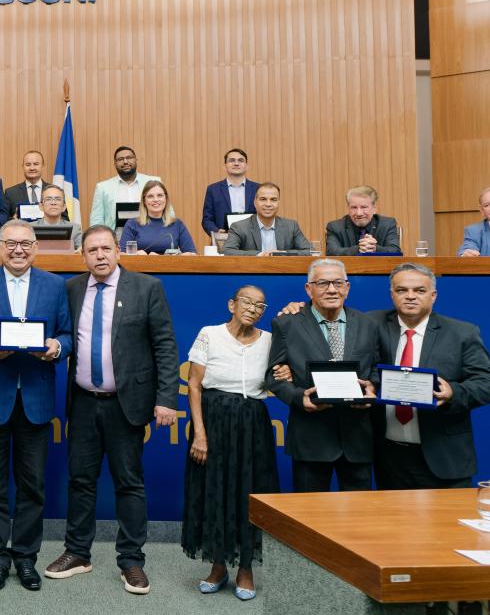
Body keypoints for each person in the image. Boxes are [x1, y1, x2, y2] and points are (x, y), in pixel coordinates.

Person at [43, 225, 179, 596]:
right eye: (92, 250)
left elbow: (165, 347)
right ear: (82, 256)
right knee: (80, 482)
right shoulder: (70, 289)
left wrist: (167, 398)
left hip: (127, 404)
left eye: (105, 248)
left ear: (118, 250)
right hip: (84, 401)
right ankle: (77, 553)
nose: (99, 255)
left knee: (129, 484)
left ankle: (131, 560)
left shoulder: (147, 288)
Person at [0, 220, 72, 593]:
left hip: (36, 399)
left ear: (37, 246)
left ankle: (25, 556)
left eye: (26, 243)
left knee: (32, 485)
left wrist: (57, 348)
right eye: (11, 243)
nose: (18, 250)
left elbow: (67, 334)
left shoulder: (55, 286)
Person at [182, 285, 279, 602]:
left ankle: (246, 569)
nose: (253, 308)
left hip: (252, 424)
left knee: (248, 494)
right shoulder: (209, 333)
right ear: (232, 304)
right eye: (247, 302)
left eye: (260, 305)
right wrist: (200, 433)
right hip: (214, 421)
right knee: (215, 491)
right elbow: (194, 386)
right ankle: (218, 566)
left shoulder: (269, 340)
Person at [369, 263, 490, 489]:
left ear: (433, 295)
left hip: (444, 456)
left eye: (420, 290)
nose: (410, 296)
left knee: (448, 524)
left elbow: (486, 383)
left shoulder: (462, 333)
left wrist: (454, 393)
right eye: (402, 290)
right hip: (389, 456)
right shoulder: (370, 324)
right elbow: (333, 318)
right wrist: (294, 308)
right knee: (394, 524)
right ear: (392, 294)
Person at [265, 259, 380, 492]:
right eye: (323, 283)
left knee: (361, 514)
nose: (331, 289)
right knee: (308, 514)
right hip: (311, 437)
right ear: (309, 289)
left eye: (338, 283)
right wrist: (299, 398)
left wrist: (373, 388)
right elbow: (273, 376)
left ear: (347, 287)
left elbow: (377, 367)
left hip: (358, 437)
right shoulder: (287, 324)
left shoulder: (368, 324)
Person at [222, 183, 312, 256]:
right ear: (255, 202)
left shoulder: (291, 226)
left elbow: (309, 251)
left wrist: (283, 254)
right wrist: (259, 255)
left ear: (278, 202)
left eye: (273, 200)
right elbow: (227, 251)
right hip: (252, 275)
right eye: (263, 199)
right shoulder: (239, 227)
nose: (268, 204)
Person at [89, 146, 161, 231]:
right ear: (115, 163)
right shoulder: (102, 188)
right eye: (120, 159)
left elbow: (168, 213)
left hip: (150, 235)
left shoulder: (154, 182)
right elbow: (96, 220)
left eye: (129, 158)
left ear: (136, 160)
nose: (125, 162)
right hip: (116, 239)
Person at [119, 180, 196, 255]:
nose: (156, 200)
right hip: (140, 267)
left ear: (165, 199)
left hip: (169, 267)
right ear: (144, 201)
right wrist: (136, 254)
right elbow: (122, 255)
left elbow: (192, 253)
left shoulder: (177, 224)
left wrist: (183, 256)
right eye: (150, 196)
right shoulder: (132, 224)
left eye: (160, 195)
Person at [324, 185, 401, 255]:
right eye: (354, 207)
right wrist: (359, 249)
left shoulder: (387, 224)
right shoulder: (335, 227)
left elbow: (395, 250)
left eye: (364, 207)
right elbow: (331, 252)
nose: (359, 213)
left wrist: (374, 248)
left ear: (374, 208)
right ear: (348, 208)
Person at [200, 148, 260, 238]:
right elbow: (207, 219)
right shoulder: (213, 189)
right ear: (225, 166)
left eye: (241, 160)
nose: (236, 163)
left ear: (247, 166)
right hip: (224, 239)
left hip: (253, 239)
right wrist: (217, 232)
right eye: (232, 160)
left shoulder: (258, 188)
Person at [4, 151, 65, 220]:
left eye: (36, 164)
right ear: (23, 167)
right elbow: (4, 220)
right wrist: (13, 219)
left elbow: (65, 219)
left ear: (43, 166)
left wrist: (53, 218)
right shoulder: (11, 193)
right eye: (28, 164)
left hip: (48, 230)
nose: (32, 168)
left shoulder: (55, 191)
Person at [33, 184, 81, 250]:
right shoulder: (29, 228)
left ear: (64, 207)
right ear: (41, 206)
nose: (53, 203)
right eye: (48, 199)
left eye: (58, 199)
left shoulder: (75, 229)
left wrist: (80, 249)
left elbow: (82, 249)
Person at [457, 186, 490, 256]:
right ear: (482, 210)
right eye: (487, 205)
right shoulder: (474, 231)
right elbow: (468, 248)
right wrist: (466, 254)